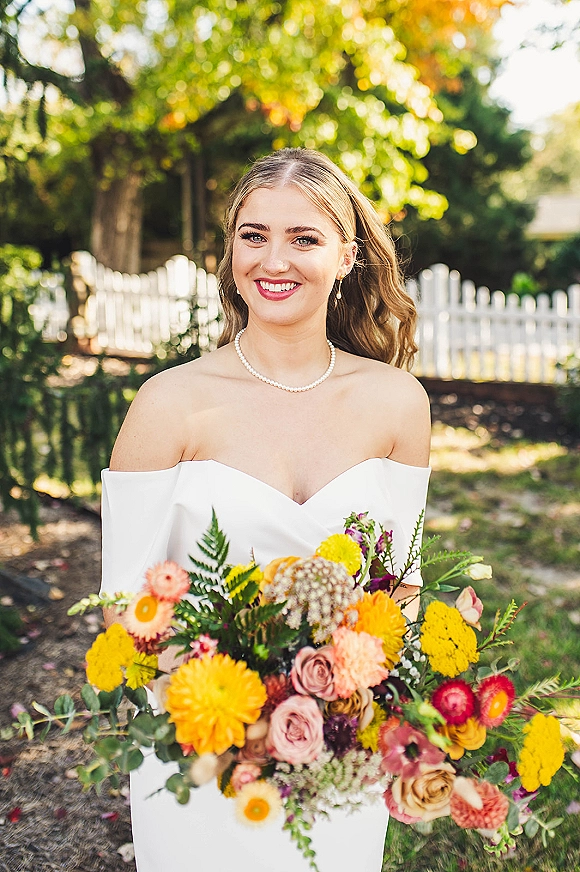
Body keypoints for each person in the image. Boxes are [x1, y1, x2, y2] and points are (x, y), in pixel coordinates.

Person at [100, 147, 431, 872]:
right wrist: (239, 723)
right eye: (254, 235)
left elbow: (402, 587)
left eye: (303, 238)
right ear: (231, 251)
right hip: (203, 748)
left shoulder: (398, 403)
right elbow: (124, 605)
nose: (273, 261)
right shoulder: (168, 403)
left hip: (343, 748)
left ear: (347, 257)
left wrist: (349, 706)